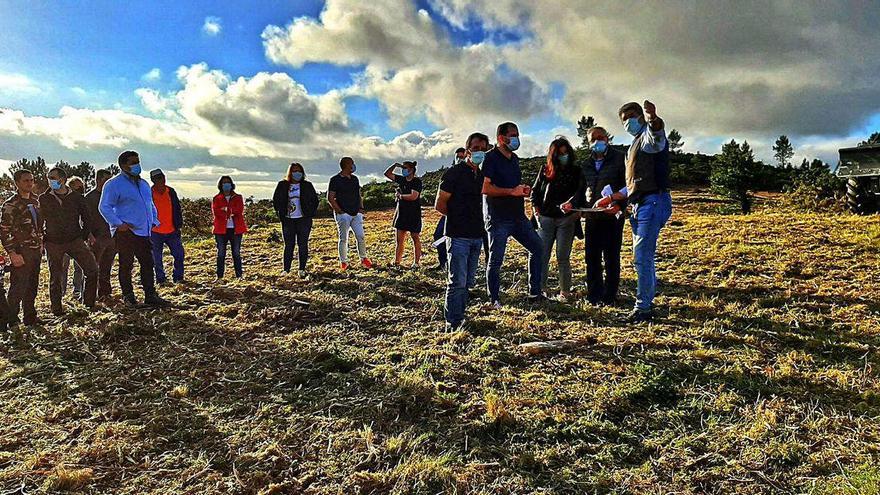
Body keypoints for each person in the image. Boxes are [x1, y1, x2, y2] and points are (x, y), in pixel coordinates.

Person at [597, 100, 671, 322]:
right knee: (643, 258)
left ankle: (643, 309)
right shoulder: (633, 146)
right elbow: (631, 186)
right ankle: (645, 304)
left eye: (631, 116)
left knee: (642, 257)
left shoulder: (647, 138)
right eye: (623, 120)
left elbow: (657, 138)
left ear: (640, 116)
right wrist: (619, 203)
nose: (628, 122)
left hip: (653, 200)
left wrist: (653, 119)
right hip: (639, 203)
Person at [482, 121, 544, 307]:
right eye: (513, 135)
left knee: (537, 247)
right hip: (498, 218)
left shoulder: (514, 158)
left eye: (517, 134)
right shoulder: (490, 158)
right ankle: (494, 299)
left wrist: (522, 190)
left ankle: (535, 293)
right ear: (501, 138)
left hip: (518, 216)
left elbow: (512, 185)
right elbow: (485, 188)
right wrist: (511, 192)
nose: (517, 138)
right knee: (496, 260)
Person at [563, 126, 626, 305]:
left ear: (607, 138)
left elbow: (627, 186)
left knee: (612, 257)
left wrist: (619, 205)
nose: (598, 141)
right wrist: (572, 204)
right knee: (592, 258)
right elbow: (581, 190)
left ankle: (610, 295)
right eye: (593, 139)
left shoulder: (620, 158)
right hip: (592, 217)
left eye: (601, 137)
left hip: (613, 216)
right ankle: (594, 294)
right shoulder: (586, 164)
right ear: (589, 142)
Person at [99, 150, 169, 307]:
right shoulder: (114, 184)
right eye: (133, 163)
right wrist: (118, 224)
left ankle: (150, 295)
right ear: (123, 165)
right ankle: (128, 296)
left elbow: (149, 204)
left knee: (147, 262)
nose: (137, 165)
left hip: (144, 231)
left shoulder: (143, 184)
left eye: (138, 162)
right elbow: (104, 207)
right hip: (126, 231)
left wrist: (153, 220)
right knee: (126, 264)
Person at [436, 133, 489, 331]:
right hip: (458, 236)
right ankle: (453, 322)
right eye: (476, 148)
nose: (479, 152)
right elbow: (440, 204)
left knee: (468, 281)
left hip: (477, 235)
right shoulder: (454, 173)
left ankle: (461, 315)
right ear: (467, 150)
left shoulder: (482, 176)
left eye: (483, 148)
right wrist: (458, 219)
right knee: (456, 281)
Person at [40, 167, 99, 316]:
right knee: (56, 277)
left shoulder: (77, 198)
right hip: (53, 243)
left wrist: (83, 236)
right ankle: (57, 310)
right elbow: (40, 220)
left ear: (63, 179)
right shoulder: (44, 198)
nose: (50, 180)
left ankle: (89, 305)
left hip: (74, 241)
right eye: (49, 178)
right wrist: (43, 239)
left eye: (53, 177)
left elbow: (87, 218)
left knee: (92, 270)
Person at [532, 136, 582, 300]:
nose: (563, 156)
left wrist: (574, 209)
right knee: (543, 255)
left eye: (565, 153)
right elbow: (535, 192)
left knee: (563, 256)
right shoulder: (545, 169)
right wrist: (536, 212)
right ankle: (540, 289)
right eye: (559, 154)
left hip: (566, 220)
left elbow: (581, 193)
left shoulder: (576, 171)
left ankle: (565, 291)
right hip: (545, 218)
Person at [0, 170, 44, 326]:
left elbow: (39, 226)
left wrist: (41, 244)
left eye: (31, 180)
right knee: (18, 286)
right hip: (21, 251)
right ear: (17, 183)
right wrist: (12, 253)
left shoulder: (35, 201)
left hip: (35, 249)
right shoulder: (10, 204)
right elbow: (4, 230)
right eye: (26, 180)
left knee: (32, 285)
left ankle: (30, 317)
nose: (30, 183)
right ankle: (10, 320)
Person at [272, 163, 319, 277]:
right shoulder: (282, 185)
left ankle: (301, 269)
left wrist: (310, 213)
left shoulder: (307, 185)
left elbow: (315, 200)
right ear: (290, 172)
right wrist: (281, 213)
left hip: (303, 220)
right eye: (294, 171)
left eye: (299, 171)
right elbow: (276, 200)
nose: (297, 173)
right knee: (289, 245)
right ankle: (286, 269)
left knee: (303, 244)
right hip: (288, 220)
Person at [327, 157, 372, 270]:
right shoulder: (335, 180)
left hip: (356, 213)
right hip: (343, 214)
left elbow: (358, 194)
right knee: (344, 239)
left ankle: (363, 258)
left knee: (360, 236)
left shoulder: (355, 179)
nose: (353, 166)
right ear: (346, 165)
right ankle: (344, 262)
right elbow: (330, 197)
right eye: (352, 164)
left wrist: (361, 208)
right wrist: (339, 211)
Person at [431, 148, 468, 271]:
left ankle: (460, 266)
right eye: (458, 157)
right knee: (438, 236)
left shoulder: (472, 175)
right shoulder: (452, 174)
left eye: (462, 157)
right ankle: (444, 263)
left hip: (467, 214)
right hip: (450, 213)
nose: (460, 159)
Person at [84, 169, 117, 300]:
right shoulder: (90, 198)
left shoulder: (112, 197)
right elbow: (85, 219)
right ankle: (90, 295)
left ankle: (105, 292)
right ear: (98, 180)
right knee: (93, 268)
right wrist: (89, 235)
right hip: (97, 238)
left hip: (111, 237)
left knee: (107, 267)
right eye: (106, 180)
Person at [149, 169, 185, 284]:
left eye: (162, 177)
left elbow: (177, 208)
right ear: (153, 181)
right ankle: (161, 279)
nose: (161, 180)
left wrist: (178, 225)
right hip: (155, 232)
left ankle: (178, 277)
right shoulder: (149, 193)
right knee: (157, 259)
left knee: (179, 254)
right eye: (158, 178)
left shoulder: (171, 191)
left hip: (172, 231)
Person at [384, 161, 423, 267]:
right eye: (402, 168)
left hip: (413, 213)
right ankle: (397, 261)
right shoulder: (402, 180)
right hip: (401, 212)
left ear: (411, 170)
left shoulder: (417, 182)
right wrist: (395, 165)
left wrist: (400, 196)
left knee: (415, 237)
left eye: (405, 168)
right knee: (399, 239)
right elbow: (387, 174)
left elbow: (413, 196)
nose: (403, 170)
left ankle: (416, 262)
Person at [212, 176, 247, 279]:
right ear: (220, 185)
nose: (226, 185)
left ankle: (239, 275)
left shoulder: (238, 197)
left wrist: (226, 209)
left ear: (232, 185)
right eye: (224, 183)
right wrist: (230, 212)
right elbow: (216, 212)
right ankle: (219, 277)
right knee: (221, 254)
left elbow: (239, 210)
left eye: (228, 183)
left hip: (235, 230)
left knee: (236, 253)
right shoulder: (216, 198)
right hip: (221, 230)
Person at [65, 175, 86, 299]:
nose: (81, 189)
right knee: (63, 267)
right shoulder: (63, 201)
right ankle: (62, 292)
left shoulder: (83, 201)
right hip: (63, 239)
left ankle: (77, 290)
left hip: (78, 239)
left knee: (79, 267)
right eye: (78, 187)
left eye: (81, 187)